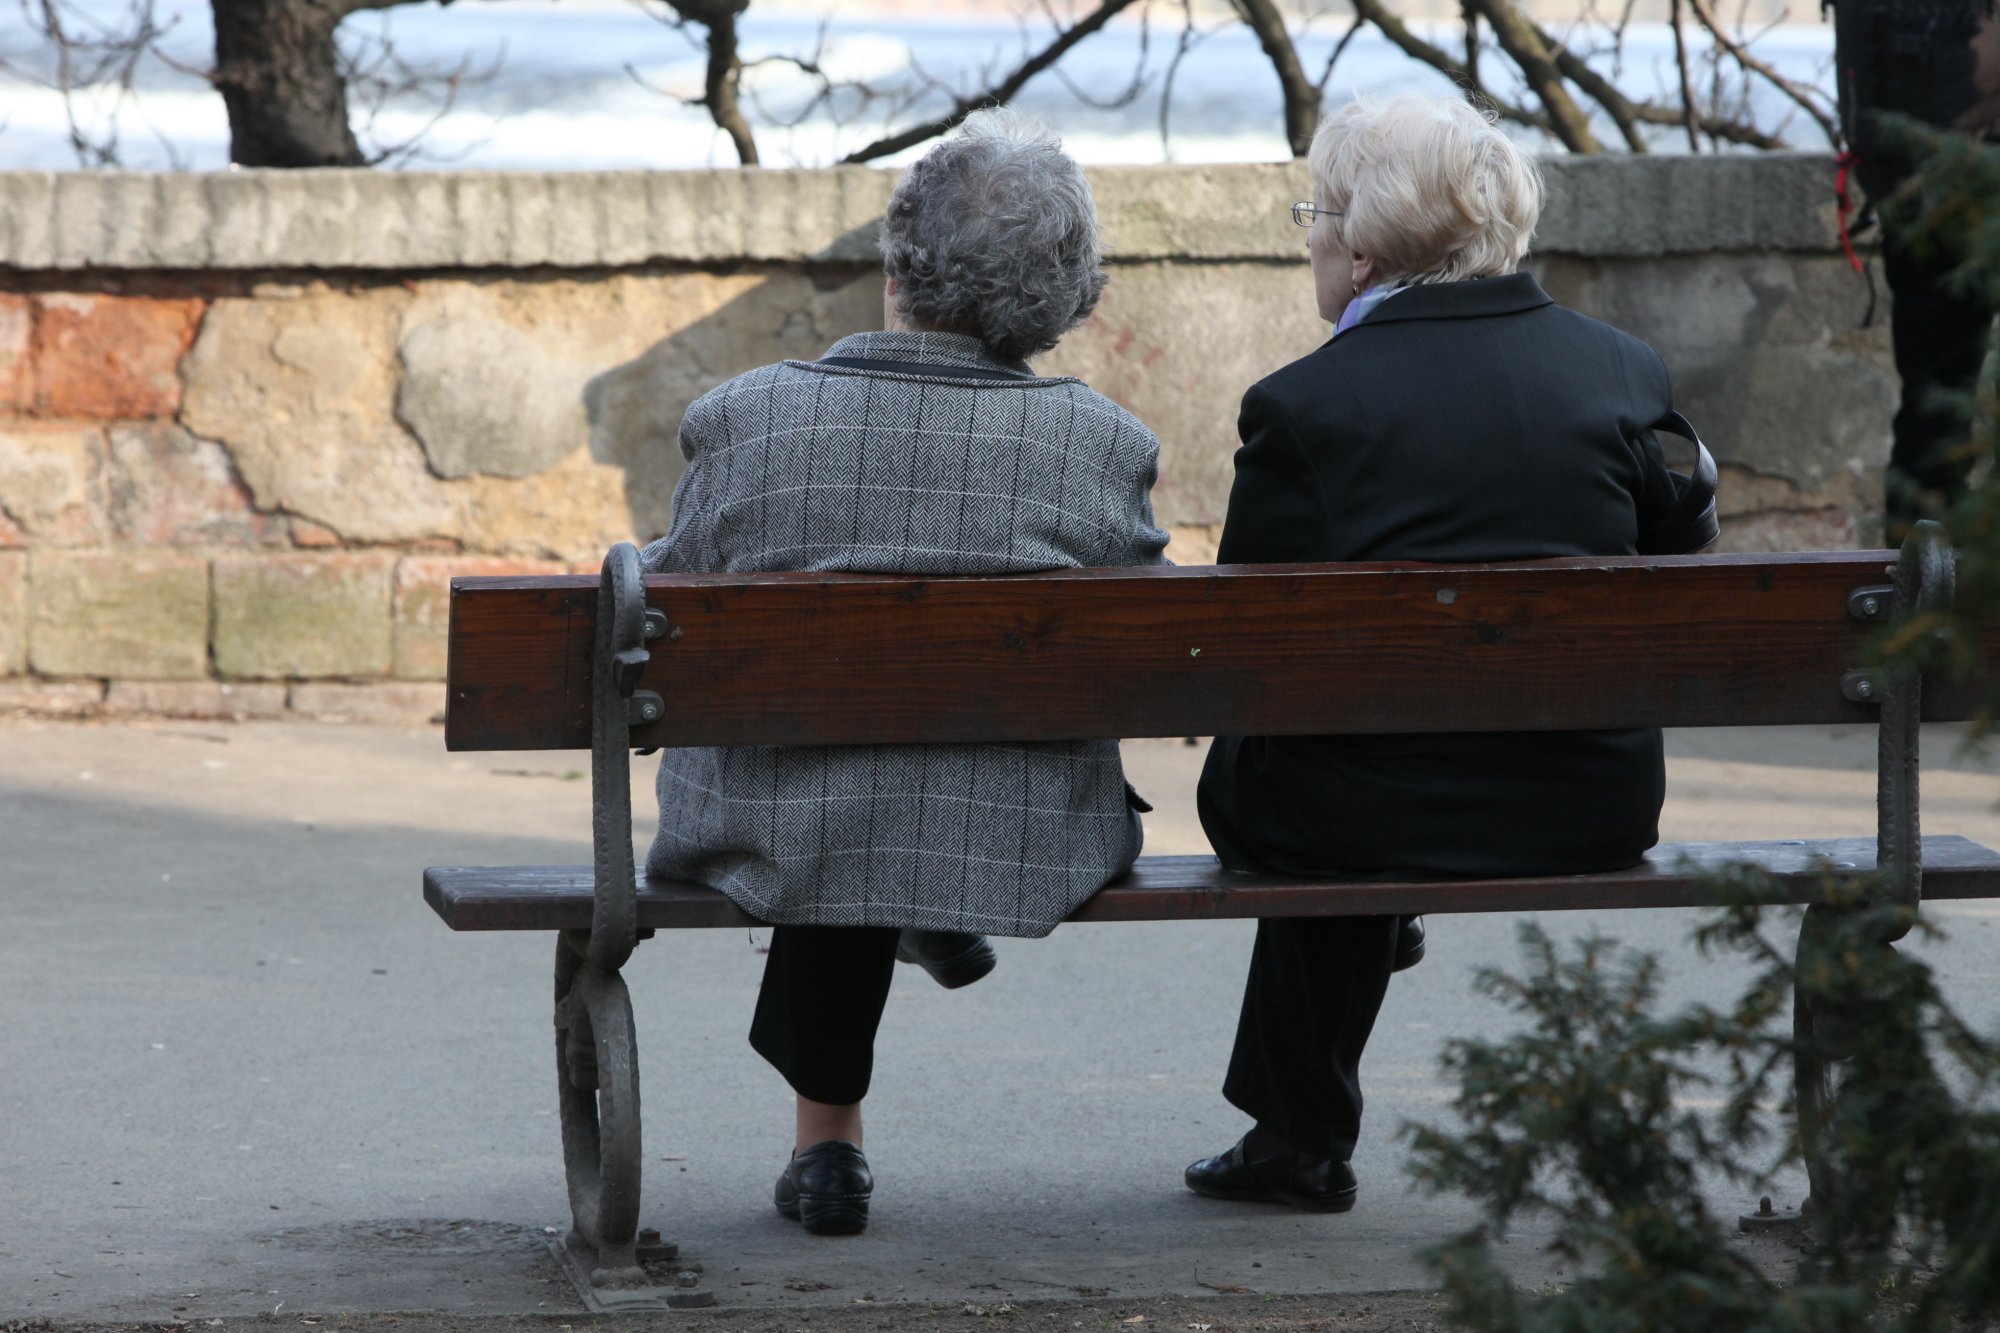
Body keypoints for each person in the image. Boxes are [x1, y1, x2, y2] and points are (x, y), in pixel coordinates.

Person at [641, 110, 1170, 1237]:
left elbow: (649, 610)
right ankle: (926, 915)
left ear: (896, 264)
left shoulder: (748, 421)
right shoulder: (1103, 445)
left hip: (778, 821)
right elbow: (1152, 641)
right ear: (1059, 294)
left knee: (840, 789)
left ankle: (829, 1151)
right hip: (1025, 828)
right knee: (898, 782)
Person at [1184, 93, 1716, 1212]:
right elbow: (1679, 553)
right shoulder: (1620, 371)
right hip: (1586, 799)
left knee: (1314, 761)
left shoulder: (1300, 407)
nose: (1310, 237)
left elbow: (1239, 650)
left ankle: (1297, 1136)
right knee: (1347, 751)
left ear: (1362, 249)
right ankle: (1294, 1126)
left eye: (1313, 216)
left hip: (1354, 818)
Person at [1832, 0, 2000, 538]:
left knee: (1932, 410)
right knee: (1936, 410)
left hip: (1915, 194)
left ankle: (1920, 587)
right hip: (1951, 192)